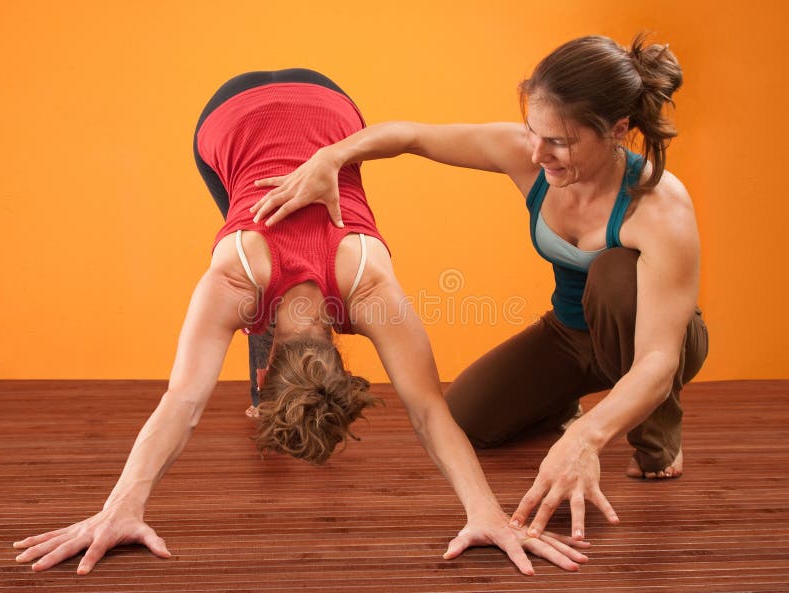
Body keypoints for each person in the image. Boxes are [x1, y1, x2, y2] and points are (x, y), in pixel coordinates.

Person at [12, 69, 589, 575]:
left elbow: (183, 405)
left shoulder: (365, 287)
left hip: (329, 103)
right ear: (269, 360)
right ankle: (264, 375)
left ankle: (268, 386)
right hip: (232, 113)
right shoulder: (239, 283)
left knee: (248, 208)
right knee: (247, 209)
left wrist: (122, 509)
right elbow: (426, 411)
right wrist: (484, 514)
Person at [248, 36, 709, 544]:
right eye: (533, 131)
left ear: (617, 130)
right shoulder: (527, 155)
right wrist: (330, 158)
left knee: (615, 274)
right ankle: (564, 401)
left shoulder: (661, 207)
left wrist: (587, 438)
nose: (537, 152)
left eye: (559, 141)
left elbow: (658, 358)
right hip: (571, 334)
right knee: (467, 418)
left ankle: (657, 433)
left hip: (648, 338)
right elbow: (412, 137)